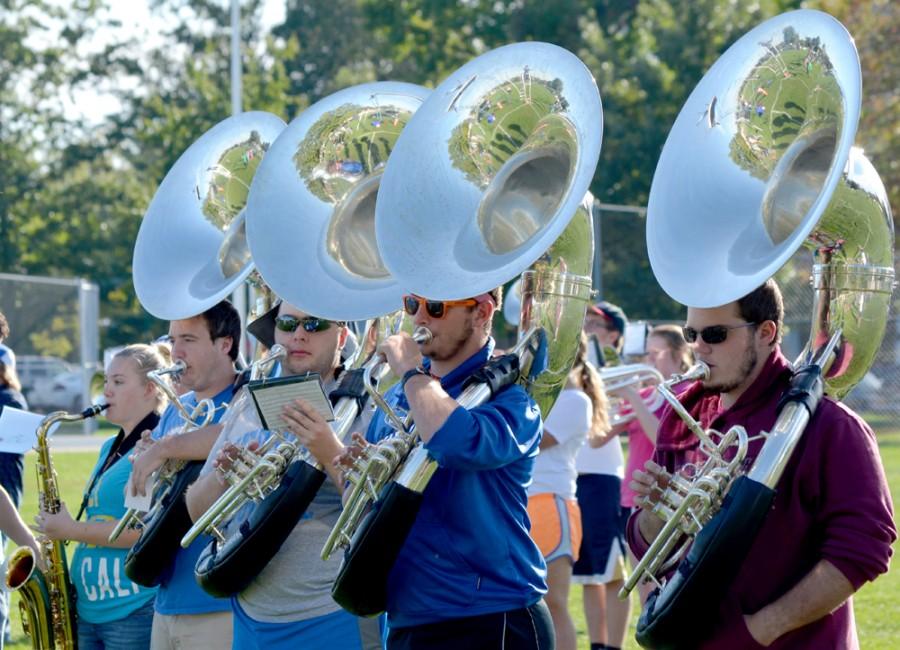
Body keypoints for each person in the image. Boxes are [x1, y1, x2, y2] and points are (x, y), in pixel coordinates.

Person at [627, 279, 896, 648]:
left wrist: (761, 630)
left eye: (716, 334)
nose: (699, 348)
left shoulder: (830, 425)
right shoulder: (684, 416)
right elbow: (650, 546)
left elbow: (864, 549)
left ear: (766, 333)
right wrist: (654, 518)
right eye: (691, 334)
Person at [338, 288, 553, 650]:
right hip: (409, 615)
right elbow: (361, 510)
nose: (419, 318)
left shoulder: (514, 403)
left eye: (436, 307)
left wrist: (409, 371)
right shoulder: (395, 398)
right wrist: (361, 476)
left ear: (482, 312)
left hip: (490, 617)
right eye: (412, 304)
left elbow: (454, 441)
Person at [185, 300, 381, 650]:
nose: (299, 335)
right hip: (250, 614)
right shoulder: (247, 401)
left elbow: (375, 520)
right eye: (288, 324)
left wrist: (329, 451)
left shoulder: (367, 408)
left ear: (341, 336)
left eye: (315, 324)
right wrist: (223, 477)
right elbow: (196, 512)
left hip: (330, 614)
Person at [36, 344, 172, 649]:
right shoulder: (109, 446)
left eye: (119, 382)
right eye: (107, 381)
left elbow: (143, 531)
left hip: (131, 608)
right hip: (90, 609)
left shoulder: (153, 445)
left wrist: (70, 529)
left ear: (151, 388)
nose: (106, 391)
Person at [128, 300, 242, 650]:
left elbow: (232, 434)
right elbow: (150, 504)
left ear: (224, 345)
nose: (175, 351)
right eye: (173, 339)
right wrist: (148, 458)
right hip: (167, 598)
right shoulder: (179, 410)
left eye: (188, 340)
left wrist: (164, 449)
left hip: (217, 604)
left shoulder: (247, 396)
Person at [526, 332, 610, 650]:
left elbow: (532, 440)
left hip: (551, 503)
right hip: (521, 502)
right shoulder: (531, 394)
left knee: (553, 603)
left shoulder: (576, 400)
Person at [614, 324, 691, 604]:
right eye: (646, 353)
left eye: (654, 353)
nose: (646, 361)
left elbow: (662, 437)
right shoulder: (647, 394)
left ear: (677, 353)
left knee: (663, 591)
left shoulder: (688, 391)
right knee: (643, 591)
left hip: (667, 500)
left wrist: (633, 397)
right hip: (633, 496)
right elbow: (599, 437)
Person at [571, 300, 630, 650]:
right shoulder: (576, 368)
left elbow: (605, 429)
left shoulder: (621, 369)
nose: (588, 329)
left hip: (603, 474)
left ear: (613, 335)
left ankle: (615, 646)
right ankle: (597, 644)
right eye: (587, 323)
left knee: (613, 569)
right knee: (590, 572)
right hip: (574, 473)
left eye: (596, 325)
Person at [583, 301, 627, 368]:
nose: (584, 328)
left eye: (593, 323)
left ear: (612, 336)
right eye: (585, 321)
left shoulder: (622, 374)